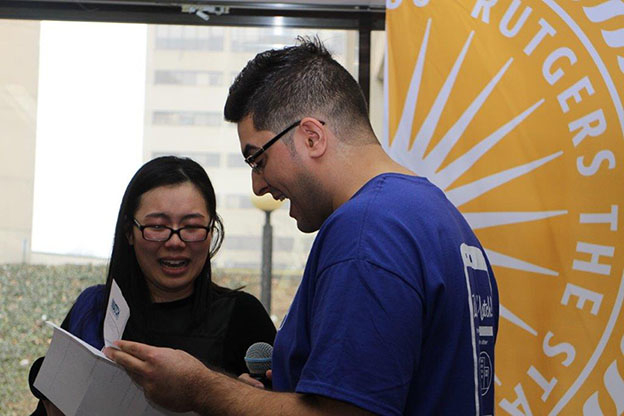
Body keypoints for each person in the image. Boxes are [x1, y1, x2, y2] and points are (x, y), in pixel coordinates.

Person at [105, 38, 499, 415]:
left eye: (258, 159)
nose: (258, 184)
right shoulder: (439, 217)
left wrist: (199, 388)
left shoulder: (366, 232)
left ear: (311, 137)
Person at [29, 156, 276, 415]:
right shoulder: (93, 309)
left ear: (211, 231)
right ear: (129, 232)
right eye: (157, 226)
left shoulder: (242, 316)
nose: (175, 241)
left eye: (192, 226)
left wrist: (239, 399)